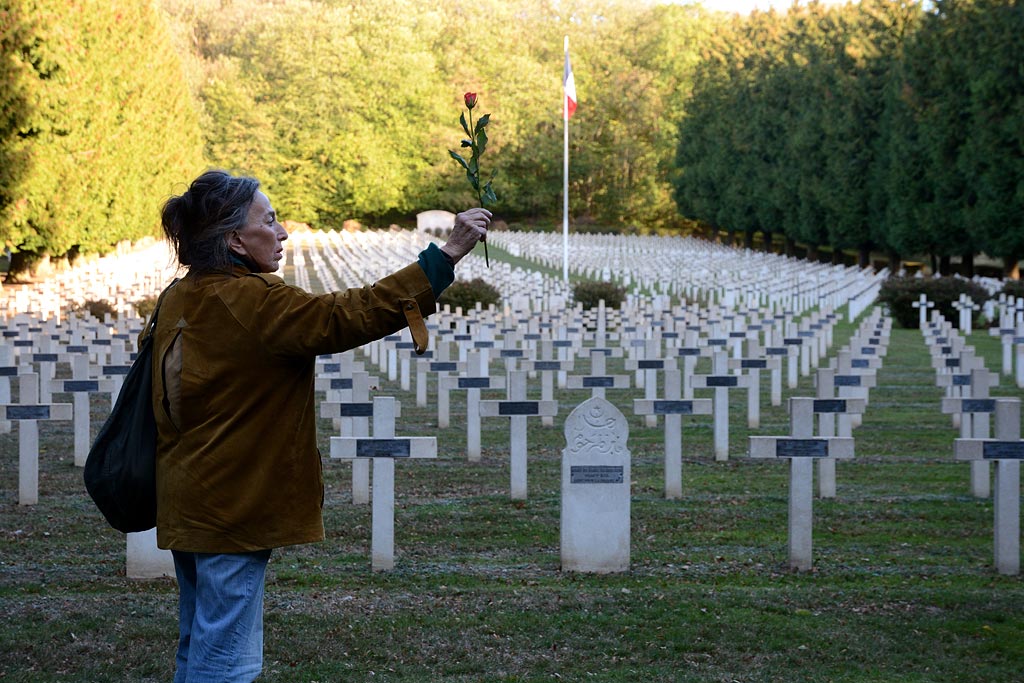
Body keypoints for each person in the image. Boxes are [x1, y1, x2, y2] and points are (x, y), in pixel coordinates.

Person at [153, 169, 490, 682]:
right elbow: (349, 314)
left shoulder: (181, 294)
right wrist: (444, 257)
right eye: (269, 220)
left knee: (199, 644)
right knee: (226, 661)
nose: (283, 232)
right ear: (234, 240)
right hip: (234, 507)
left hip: (189, 498)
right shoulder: (253, 300)